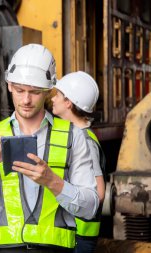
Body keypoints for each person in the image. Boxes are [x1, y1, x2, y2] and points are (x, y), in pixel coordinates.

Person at [0, 44, 99, 253]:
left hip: (54, 249)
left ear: (48, 91)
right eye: (19, 90)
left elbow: (90, 208)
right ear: (9, 85)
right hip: (4, 249)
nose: (26, 100)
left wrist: (52, 181)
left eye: (35, 92)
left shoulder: (74, 136)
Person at [51, 71, 106, 253]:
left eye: (58, 95)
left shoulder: (85, 140)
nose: (53, 99)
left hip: (80, 235)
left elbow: (99, 192)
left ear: (68, 102)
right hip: (73, 232)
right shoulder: (74, 134)